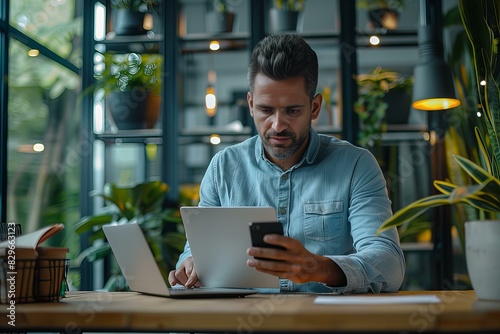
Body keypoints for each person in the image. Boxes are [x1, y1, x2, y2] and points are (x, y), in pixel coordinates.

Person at [169, 33, 405, 294]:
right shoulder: (222, 168)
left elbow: (390, 264)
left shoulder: (356, 166)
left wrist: (321, 268)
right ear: (250, 104)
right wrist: (189, 265)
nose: (278, 125)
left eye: (292, 111)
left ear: (315, 107)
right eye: (266, 110)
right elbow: (196, 251)